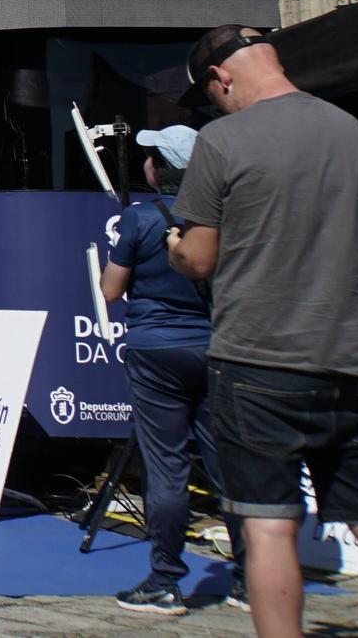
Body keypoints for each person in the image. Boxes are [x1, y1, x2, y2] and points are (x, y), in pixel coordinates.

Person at [167, 25, 358, 637]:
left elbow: (200, 260)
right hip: (355, 352)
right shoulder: (350, 131)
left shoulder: (225, 138)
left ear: (221, 79)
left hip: (261, 358)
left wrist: (176, 245)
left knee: (267, 527)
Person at [101, 124, 247, 615]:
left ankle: (166, 580)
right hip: (216, 346)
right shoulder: (223, 217)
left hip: (156, 350)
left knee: (167, 467)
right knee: (229, 465)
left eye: (149, 157)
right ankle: (251, 578)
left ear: (158, 167)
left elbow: (110, 290)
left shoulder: (139, 220)